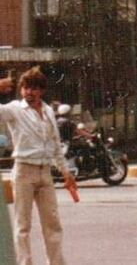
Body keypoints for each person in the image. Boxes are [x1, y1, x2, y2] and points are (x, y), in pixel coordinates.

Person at [0, 67, 77, 265]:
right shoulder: (15, 109)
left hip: (45, 173)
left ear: (41, 90)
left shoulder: (48, 111)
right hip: (24, 171)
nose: (29, 92)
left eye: (33, 88)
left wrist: (65, 172)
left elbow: (55, 144)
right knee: (23, 225)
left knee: (52, 224)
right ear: (21, 90)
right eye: (25, 88)